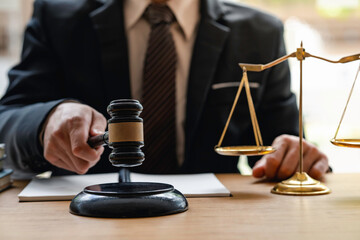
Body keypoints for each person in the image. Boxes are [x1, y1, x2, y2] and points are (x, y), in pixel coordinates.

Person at [0, 0, 329, 180]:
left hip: (215, 222)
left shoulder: (260, 32)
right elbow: (9, 118)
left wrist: (299, 154)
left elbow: (288, 143)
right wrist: (46, 120)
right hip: (87, 219)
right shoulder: (57, 17)